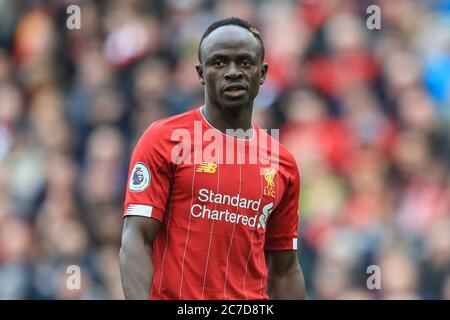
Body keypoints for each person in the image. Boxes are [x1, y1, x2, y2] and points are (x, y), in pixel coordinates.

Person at [120, 17, 305, 300]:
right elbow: (136, 239)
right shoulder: (164, 139)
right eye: (219, 62)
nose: (233, 72)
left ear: (263, 72)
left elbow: (285, 270)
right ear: (201, 73)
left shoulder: (283, 163)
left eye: (245, 62)